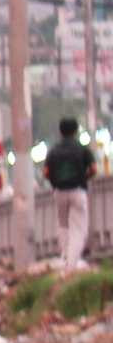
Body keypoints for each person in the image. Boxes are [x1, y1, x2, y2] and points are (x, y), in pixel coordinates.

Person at [46, 115, 95, 268]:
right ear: (76, 131)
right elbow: (93, 169)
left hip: (59, 192)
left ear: (60, 132)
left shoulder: (53, 151)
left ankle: (65, 257)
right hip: (77, 191)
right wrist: (84, 178)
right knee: (79, 229)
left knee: (63, 226)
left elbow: (46, 172)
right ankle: (71, 264)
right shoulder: (82, 149)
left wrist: (54, 183)